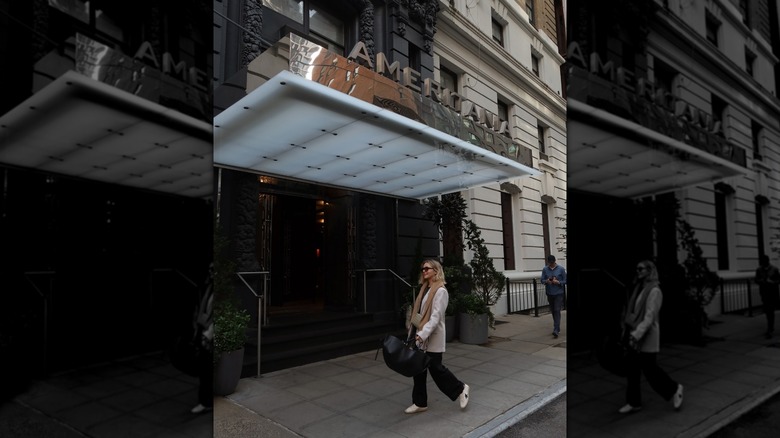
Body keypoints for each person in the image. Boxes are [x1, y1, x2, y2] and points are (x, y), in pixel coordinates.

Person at [405, 259, 470, 414]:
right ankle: (420, 402)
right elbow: (420, 313)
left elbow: (435, 318)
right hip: (420, 336)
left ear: (436, 270)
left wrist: (422, 334)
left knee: (436, 369)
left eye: (427, 268)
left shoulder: (440, 291)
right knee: (418, 370)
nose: (424, 271)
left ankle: (461, 388)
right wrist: (412, 330)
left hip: (431, 337)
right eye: (422, 269)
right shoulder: (424, 289)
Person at [619, 260, 683, 414]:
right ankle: (634, 402)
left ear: (649, 270)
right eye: (637, 269)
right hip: (635, 335)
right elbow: (632, 310)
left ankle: (675, 389)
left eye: (641, 269)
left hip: (646, 336)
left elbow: (649, 317)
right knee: (632, 370)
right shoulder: (638, 288)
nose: (638, 271)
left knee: (651, 371)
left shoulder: (654, 291)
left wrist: (636, 335)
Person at [191, 264, 214, 414]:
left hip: (210, 335)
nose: (211, 272)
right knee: (205, 369)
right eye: (210, 269)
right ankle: (206, 400)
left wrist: (208, 335)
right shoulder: (208, 287)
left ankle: (206, 401)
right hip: (202, 330)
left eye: (214, 269)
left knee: (207, 370)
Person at [755, 254, 780, 339]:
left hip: (772, 293)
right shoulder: (759, 270)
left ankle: (770, 328)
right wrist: (762, 281)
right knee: (768, 310)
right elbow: (756, 280)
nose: (763, 263)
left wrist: (772, 282)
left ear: (767, 261)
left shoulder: (774, 269)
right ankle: (770, 326)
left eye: (764, 261)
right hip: (764, 293)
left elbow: (778, 280)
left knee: (770, 310)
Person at [541, 255, 566, 338]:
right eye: (550, 263)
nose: (551, 264)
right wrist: (547, 281)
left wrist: (558, 282)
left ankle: (555, 329)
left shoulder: (561, 269)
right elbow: (542, 280)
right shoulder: (545, 269)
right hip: (549, 292)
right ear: (548, 262)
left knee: (557, 309)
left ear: (555, 261)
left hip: (559, 293)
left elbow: (565, 280)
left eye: (552, 262)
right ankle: (557, 327)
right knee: (553, 310)